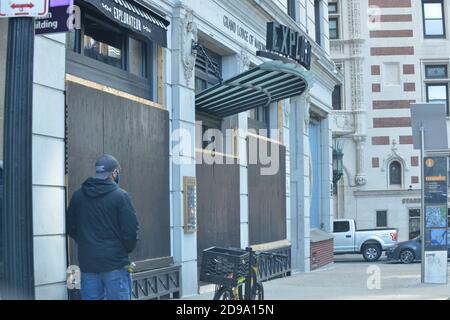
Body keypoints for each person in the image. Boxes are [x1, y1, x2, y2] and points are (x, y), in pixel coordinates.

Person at [67, 155, 139, 300]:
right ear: (114, 173)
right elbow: (131, 231)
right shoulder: (121, 196)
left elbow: (70, 227)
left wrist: (86, 243)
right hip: (115, 264)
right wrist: (124, 250)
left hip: (88, 264)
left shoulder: (78, 196)